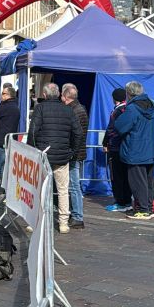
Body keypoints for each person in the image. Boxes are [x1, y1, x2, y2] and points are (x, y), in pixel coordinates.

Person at [27, 83, 81, 233]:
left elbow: (33, 131)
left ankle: (37, 221)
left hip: (44, 154)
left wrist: (33, 150)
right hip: (63, 156)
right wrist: (72, 152)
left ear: (44, 95)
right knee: (63, 190)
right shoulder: (68, 110)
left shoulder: (40, 108)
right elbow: (78, 133)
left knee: (39, 189)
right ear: (58, 94)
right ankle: (63, 222)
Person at [114, 80, 154, 220]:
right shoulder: (153, 106)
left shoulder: (132, 109)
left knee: (137, 182)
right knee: (148, 182)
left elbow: (120, 127)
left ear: (129, 93)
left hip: (135, 151)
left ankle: (142, 210)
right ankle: (149, 208)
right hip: (150, 149)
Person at [62, 83, 90, 230]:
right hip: (76, 153)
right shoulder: (78, 109)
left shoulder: (75, 111)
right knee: (72, 185)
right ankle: (74, 214)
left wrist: (70, 151)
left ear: (66, 96)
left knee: (73, 186)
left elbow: (75, 135)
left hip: (74, 154)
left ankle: (78, 216)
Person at [102, 88, 131, 212]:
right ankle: (128, 201)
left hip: (115, 148)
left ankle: (120, 202)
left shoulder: (116, 111)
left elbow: (111, 129)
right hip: (126, 147)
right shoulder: (130, 109)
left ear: (114, 98)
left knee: (116, 176)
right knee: (126, 175)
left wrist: (105, 142)